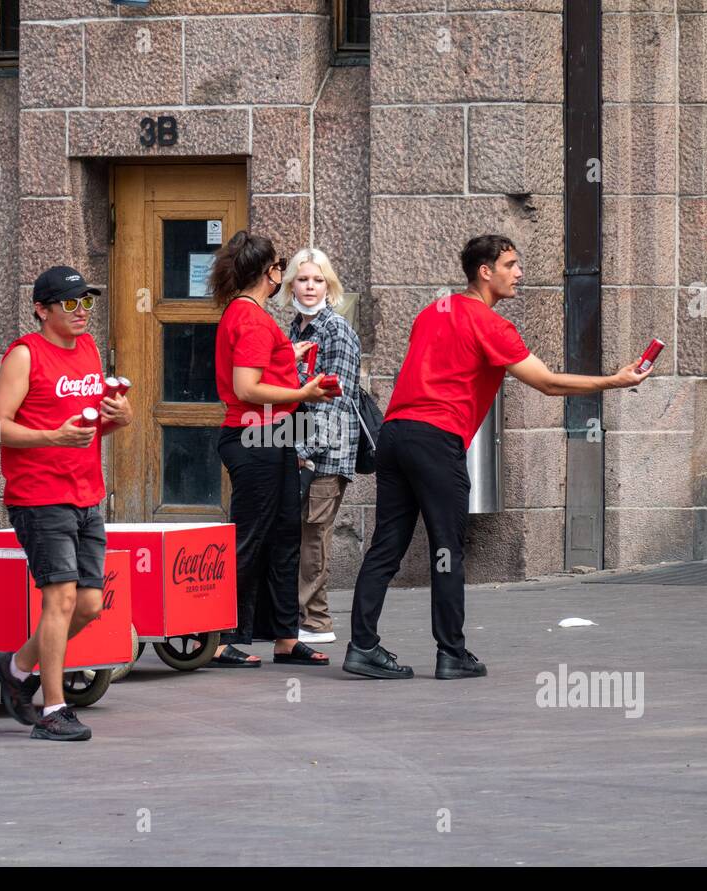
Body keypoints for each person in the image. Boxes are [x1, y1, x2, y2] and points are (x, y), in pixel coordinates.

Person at [346, 235, 652, 681]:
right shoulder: (491, 325)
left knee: (385, 548)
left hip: (394, 435)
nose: (519, 272)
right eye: (511, 264)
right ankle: (451, 653)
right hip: (436, 439)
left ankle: (362, 647)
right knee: (447, 548)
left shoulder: (433, 312)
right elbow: (547, 383)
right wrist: (614, 381)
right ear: (484, 271)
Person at [0, 266, 133, 742]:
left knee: (88, 605)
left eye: (86, 302)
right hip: (39, 495)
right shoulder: (24, 355)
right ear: (42, 309)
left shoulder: (88, 350)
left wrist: (120, 418)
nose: (82, 312)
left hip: (86, 491)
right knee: (61, 599)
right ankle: (53, 709)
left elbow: (87, 430)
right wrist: (53, 435)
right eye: (70, 304)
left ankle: (14, 665)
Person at [210, 231, 333, 669]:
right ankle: (221, 639)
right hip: (255, 436)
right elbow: (246, 387)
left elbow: (258, 372)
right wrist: (303, 392)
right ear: (270, 273)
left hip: (270, 434)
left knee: (284, 538)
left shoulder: (247, 314)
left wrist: (288, 358)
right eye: (280, 266)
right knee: (250, 538)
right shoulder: (253, 319)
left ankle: (284, 636)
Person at [279, 248, 361, 645]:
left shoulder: (336, 330)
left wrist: (306, 452)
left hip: (326, 452)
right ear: (290, 283)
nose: (309, 287)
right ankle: (305, 615)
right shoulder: (296, 329)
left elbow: (338, 399)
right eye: (302, 279)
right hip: (297, 445)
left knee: (314, 533)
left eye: (317, 280)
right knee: (301, 532)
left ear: (329, 286)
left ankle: (316, 622)